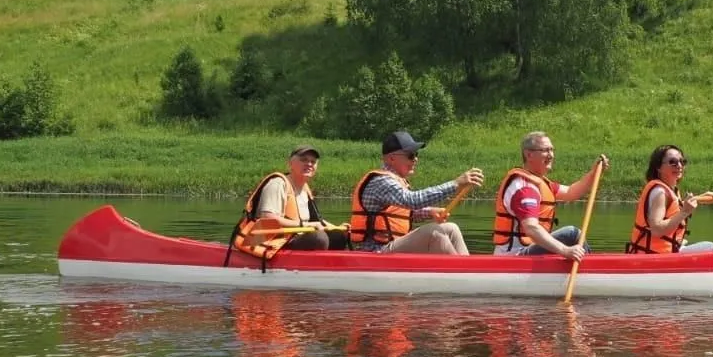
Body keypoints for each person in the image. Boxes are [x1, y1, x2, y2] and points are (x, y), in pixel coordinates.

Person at [350, 130, 484, 255]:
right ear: (391, 158)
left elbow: (405, 212)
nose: (415, 159)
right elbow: (412, 201)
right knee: (433, 233)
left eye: (416, 155)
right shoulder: (382, 181)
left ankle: (469, 269)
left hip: (391, 245)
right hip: (377, 251)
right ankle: (461, 273)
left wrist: (429, 212)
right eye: (410, 155)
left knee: (451, 228)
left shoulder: (395, 181)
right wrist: (455, 184)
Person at [492, 131, 609, 260]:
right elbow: (531, 227)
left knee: (572, 235)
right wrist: (565, 250)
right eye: (545, 150)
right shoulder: (525, 188)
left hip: (529, 250)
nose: (551, 155)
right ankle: (590, 268)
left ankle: (587, 264)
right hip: (515, 256)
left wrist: (593, 173)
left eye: (552, 150)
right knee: (571, 234)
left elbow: (571, 192)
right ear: (529, 154)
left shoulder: (540, 183)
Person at [234, 144, 346, 259]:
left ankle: (329, 268)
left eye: (313, 162)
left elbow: (317, 221)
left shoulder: (305, 189)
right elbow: (268, 218)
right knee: (318, 237)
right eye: (304, 160)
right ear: (290, 164)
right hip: (273, 242)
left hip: (293, 239)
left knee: (338, 236)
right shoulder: (278, 184)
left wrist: (338, 228)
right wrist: (305, 225)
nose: (309, 164)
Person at [626, 144, 713, 254]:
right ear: (658, 167)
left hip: (664, 252)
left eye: (682, 161)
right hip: (653, 257)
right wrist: (684, 212)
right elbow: (657, 230)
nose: (679, 165)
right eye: (673, 162)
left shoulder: (669, 189)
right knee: (711, 248)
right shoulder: (660, 193)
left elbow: (672, 209)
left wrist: (701, 198)